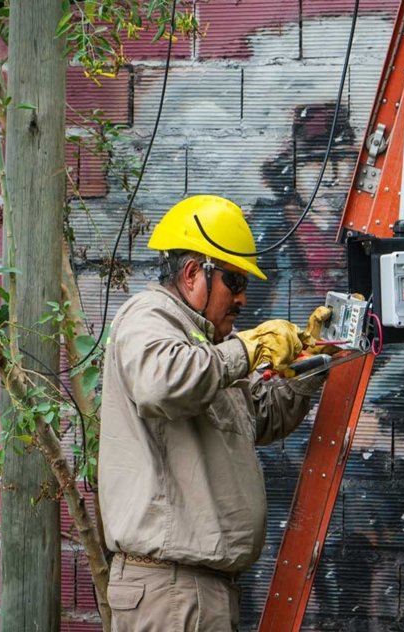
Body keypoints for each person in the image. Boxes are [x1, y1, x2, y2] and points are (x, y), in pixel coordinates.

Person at [99, 194, 332, 631]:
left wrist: (315, 364)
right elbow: (161, 383)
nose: (243, 300)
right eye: (235, 283)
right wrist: (248, 349)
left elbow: (259, 419)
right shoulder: (148, 319)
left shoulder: (205, 344)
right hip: (171, 590)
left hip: (194, 590)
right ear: (192, 274)